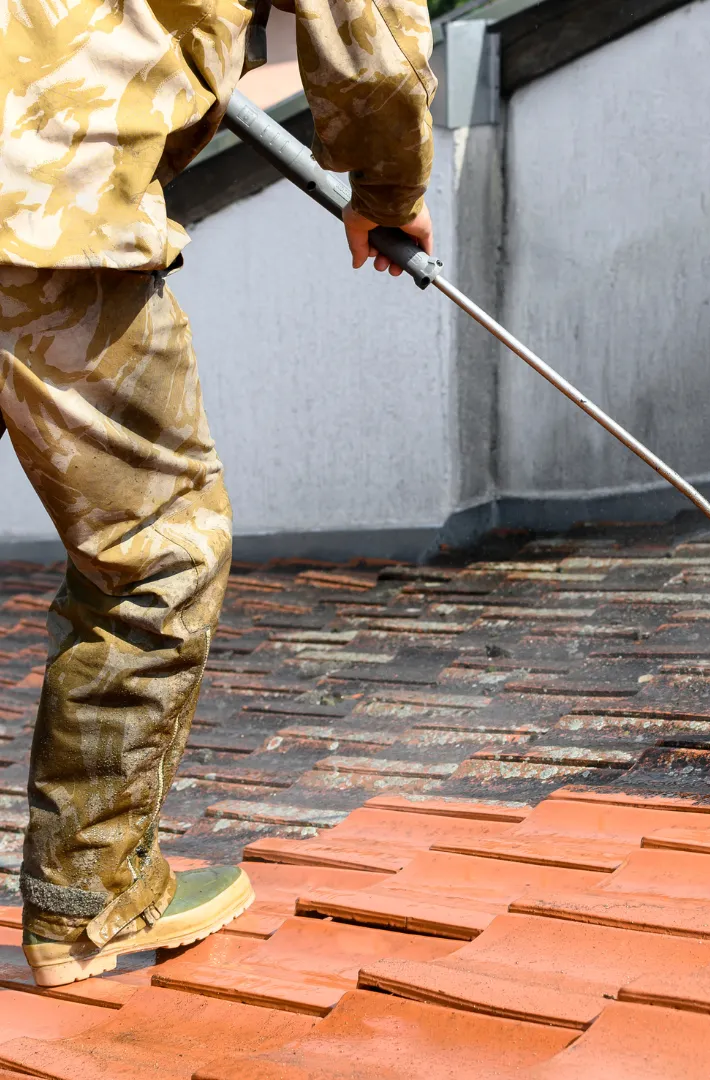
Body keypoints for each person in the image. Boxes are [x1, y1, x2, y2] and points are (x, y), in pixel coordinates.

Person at [0, 0, 435, 987]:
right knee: (153, 555)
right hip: (46, 216)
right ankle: (91, 900)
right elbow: (370, 44)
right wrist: (389, 187)